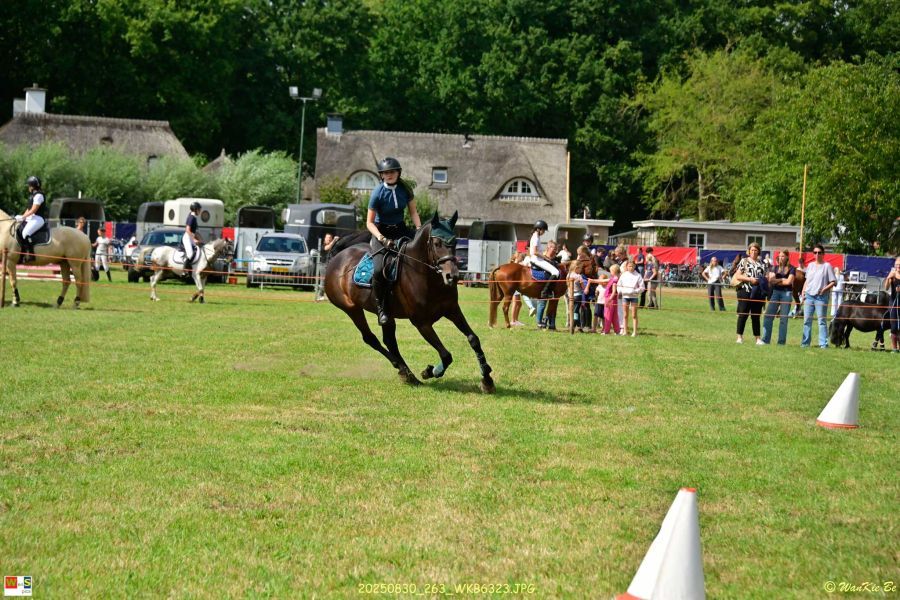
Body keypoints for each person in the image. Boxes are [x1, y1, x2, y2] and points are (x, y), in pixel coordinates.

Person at [366, 157, 421, 325]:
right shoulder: (377, 193)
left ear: (398, 173)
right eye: (385, 173)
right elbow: (369, 223)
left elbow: (413, 212)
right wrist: (382, 238)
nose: (389, 175)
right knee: (378, 269)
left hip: (401, 229)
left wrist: (419, 229)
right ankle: (381, 308)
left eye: (392, 172)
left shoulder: (405, 189)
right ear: (381, 175)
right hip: (380, 231)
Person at [800, 244, 837, 348]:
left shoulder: (827, 266)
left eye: (819, 252)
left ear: (823, 254)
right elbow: (807, 280)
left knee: (821, 321)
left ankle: (823, 344)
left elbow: (833, 282)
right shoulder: (810, 265)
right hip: (809, 296)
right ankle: (805, 343)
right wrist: (803, 292)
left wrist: (824, 289)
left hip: (821, 297)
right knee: (806, 321)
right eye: (815, 252)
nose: (817, 254)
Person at [734, 243, 767, 344]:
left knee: (756, 316)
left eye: (755, 250)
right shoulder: (744, 261)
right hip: (745, 291)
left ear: (758, 251)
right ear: (749, 251)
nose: (753, 252)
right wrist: (750, 279)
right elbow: (738, 276)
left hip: (758, 292)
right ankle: (739, 337)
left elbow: (764, 277)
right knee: (743, 314)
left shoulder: (762, 263)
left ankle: (758, 339)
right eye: (752, 250)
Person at [761, 250, 795, 345]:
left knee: (783, 319)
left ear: (787, 257)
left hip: (787, 293)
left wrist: (777, 281)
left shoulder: (792, 268)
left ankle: (781, 342)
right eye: (779, 256)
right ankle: (765, 340)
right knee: (768, 316)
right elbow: (771, 281)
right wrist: (782, 279)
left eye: (783, 256)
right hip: (775, 293)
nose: (781, 258)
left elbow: (788, 282)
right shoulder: (774, 268)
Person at [14, 175, 47, 264]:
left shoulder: (39, 195)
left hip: (38, 218)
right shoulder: (32, 195)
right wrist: (22, 216)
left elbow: (33, 210)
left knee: (25, 233)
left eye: (29, 186)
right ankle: (21, 254)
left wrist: (23, 217)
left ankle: (31, 255)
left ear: (32, 186)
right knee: (18, 228)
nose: (28, 187)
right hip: (32, 217)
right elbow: (29, 209)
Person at [528, 220, 559, 299]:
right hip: (536, 260)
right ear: (538, 229)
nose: (544, 232)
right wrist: (546, 258)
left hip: (538, 259)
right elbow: (535, 252)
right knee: (556, 272)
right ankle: (545, 292)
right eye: (544, 230)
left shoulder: (536, 236)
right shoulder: (535, 237)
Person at [618, 260, 644, 336]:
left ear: (635, 266)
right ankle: (625, 331)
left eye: (632, 266)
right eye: (629, 266)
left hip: (634, 297)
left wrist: (635, 291)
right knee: (625, 315)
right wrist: (621, 291)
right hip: (625, 297)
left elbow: (642, 287)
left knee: (634, 315)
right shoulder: (623, 275)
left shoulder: (638, 275)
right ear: (627, 267)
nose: (631, 268)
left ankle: (635, 332)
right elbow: (619, 285)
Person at [885, 256, 900, 352]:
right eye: (897, 264)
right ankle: (894, 348)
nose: (898, 266)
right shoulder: (892, 274)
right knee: (894, 326)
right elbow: (886, 288)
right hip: (894, 303)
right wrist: (888, 278)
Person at [183, 201, 202, 270]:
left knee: (198, 251)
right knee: (190, 254)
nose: (200, 211)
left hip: (190, 237)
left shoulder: (193, 217)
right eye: (199, 210)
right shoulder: (191, 217)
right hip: (187, 238)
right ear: (195, 209)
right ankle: (184, 270)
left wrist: (199, 239)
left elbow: (194, 231)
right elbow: (187, 229)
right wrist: (194, 239)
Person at [602, 264, 621, 335]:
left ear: (614, 271)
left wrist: (609, 300)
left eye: (611, 271)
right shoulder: (615, 278)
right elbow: (603, 280)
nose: (610, 272)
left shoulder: (614, 280)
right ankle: (617, 331)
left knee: (608, 315)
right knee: (614, 316)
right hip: (614, 299)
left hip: (610, 299)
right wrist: (592, 280)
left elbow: (613, 292)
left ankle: (606, 331)